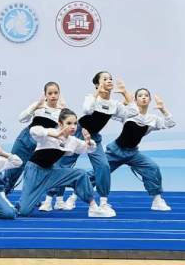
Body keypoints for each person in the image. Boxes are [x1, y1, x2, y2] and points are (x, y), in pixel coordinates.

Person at [48, 71, 135, 216]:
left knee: (103, 166)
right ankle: (52, 198)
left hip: (93, 137)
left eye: (110, 79)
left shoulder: (114, 104)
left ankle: (103, 203)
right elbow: (87, 109)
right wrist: (97, 93)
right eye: (105, 79)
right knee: (63, 165)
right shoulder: (91, 98)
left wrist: (125, 93)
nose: (109, 81)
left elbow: (130, 114)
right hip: (78, 132)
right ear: (97, 84)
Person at [17, 108, 110, 218]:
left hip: (51, 174)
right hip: (34, 172)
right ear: (60, 124)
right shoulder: (50, 134)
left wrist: (89, 142)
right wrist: (53, 134)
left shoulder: (72, 141)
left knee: (80, 174)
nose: (73, 127)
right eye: (69, 123)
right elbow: (34, 130)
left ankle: (93, 207)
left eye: (75, 123)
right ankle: (24, 202)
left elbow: (89, 149)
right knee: (24, 211)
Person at [106, 88, 175, 211]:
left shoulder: (152, 119)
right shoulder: (129, 113)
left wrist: (163, 109)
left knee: (152, 168)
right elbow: (111, 113)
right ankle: (74, 197)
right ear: (135, 99)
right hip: (115, 151)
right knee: (98, 172)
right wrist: (124, 97)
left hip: (133, 153)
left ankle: (157, 200)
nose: (143, 97)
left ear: (149, 99)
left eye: (146, 95)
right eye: (140, 95)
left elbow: (170, 123)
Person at [0, 81, 64, 196]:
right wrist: (35, 107)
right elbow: (21, 118)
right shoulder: (39, 105)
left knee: (34, 173)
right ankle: (2, 195)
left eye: (55, 93)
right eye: (50, 93)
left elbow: (62, 131)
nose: (53, 96)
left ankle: (30, 199)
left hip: (43, 143)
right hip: (25, 138)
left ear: (59, 94)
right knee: (13, 169)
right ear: (45, 94)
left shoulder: (62, 111)